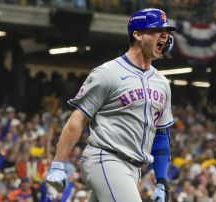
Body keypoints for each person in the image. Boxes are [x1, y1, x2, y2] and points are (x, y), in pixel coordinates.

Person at [46, 8, 176, 202]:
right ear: (138, 34)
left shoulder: (162, 83)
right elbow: (77, 119)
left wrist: (161, 181)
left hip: (134, 170)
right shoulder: (108, 72)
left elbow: (161, 135)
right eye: (157, 30)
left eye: (166, 32)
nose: (165, 36)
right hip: (105, 158)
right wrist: (58, 164)